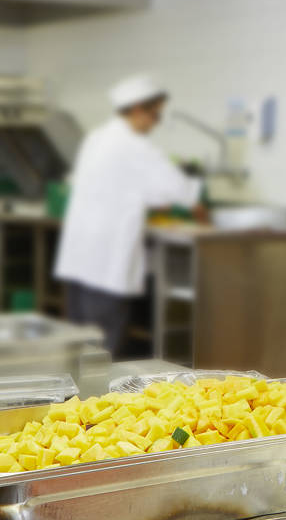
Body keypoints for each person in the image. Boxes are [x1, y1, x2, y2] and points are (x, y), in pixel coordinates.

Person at [53, 75, 204, 358]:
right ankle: (95, 399)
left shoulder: (97, 138)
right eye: (155, 113)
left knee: (79, 348)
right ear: (137, 110)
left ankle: (73, 400)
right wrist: (198, 205)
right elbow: (178, 189)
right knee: (102, 349)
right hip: (106, 263)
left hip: (80, 260)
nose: (156, 122)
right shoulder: (135, 147)